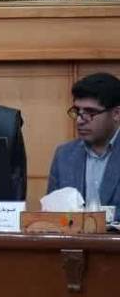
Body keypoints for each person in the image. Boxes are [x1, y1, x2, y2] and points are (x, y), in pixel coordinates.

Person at [48, 72, 120, 208]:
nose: (80, 120)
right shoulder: (64, 155)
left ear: (116, 114)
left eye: (90, 112)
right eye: (77, 111)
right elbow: (52, 213)